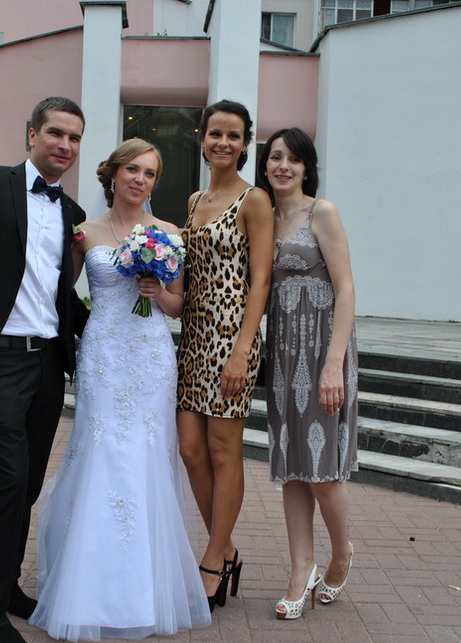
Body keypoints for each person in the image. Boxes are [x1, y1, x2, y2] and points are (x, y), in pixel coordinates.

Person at [29, 139, 212, 640]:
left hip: (150, 357)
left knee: (145, 454)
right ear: (113, 174)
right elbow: (53, 288)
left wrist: (158, 292)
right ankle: (86, 583)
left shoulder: (170, 233)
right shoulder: (84, 231)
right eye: (133, 169)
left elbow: (179, 306)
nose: (140, 180)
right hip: (103, 355)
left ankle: (143, 587)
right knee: (102, 450)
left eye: (150, 173)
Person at [0, 97, 87, 643]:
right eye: (56, 133)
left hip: (48, 360)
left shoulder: (74, 212)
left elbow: (61, 291)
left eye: (74, 138)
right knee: (9, 478)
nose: (64, 145)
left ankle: (5, 588)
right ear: (32, 134)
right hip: (0, 357)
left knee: (27, 484)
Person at [254, 127, 357, 621]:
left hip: (322, 352)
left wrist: (334, 363)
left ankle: (341, 553)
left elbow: (347, 289)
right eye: (276, 157)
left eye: (294, 159)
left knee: (322, 469)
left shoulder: (323, 213)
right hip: (282, 354)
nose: (283, 166)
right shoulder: (264, 217)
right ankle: (301, 569)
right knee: (293, 465)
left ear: (306, 168)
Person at [176, 100, 274, 611]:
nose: (223, 142)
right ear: (203, 138)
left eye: (234, 136)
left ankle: (214, 558)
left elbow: (262, 280)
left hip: (231, 337)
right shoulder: (195, 200)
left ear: (245, 144)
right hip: (193, 335)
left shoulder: (254, 200)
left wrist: (242, 350)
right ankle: (227, 546)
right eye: (215, 133)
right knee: (190, 449)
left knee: (222, 448)